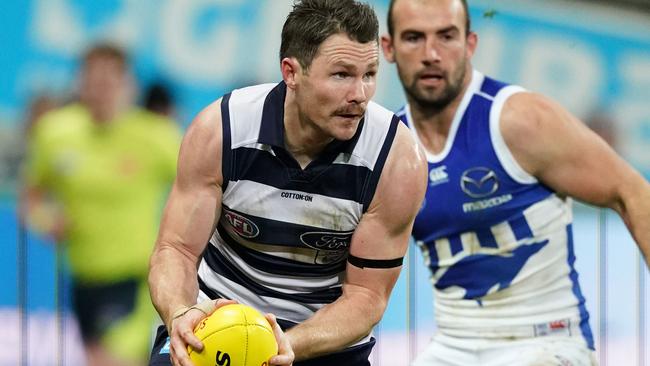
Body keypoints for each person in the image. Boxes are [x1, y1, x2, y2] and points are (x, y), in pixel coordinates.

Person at [146, 0, 428, 365]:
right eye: (342, 74)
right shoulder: (221, 131)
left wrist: (283, 345)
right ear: (291, 72)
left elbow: (366, 297)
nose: (359, 94)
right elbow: (177, 251)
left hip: (322, 340)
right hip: (215, 321)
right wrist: (180, 312)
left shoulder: (396, 160)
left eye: (369, 74)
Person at [381, 0, 650, 365]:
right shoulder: (390, 148)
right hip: (454, 345)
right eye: (414, 38)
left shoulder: (518, 120)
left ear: (470, 44)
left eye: (446, 36)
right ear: (389, 48)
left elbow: (631, 191)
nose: (431, 54)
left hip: (549, 341)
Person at [22, 43, 182, 366]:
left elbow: (202, 185)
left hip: (135, 280)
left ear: (128, 85)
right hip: (82, 280)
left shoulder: (156, 136)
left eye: (110, 81)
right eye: (93, 80)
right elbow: (31, 197)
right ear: (80, 83)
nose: (101, 90)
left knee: (109, 361)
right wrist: (45, 220)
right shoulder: (54, 133)